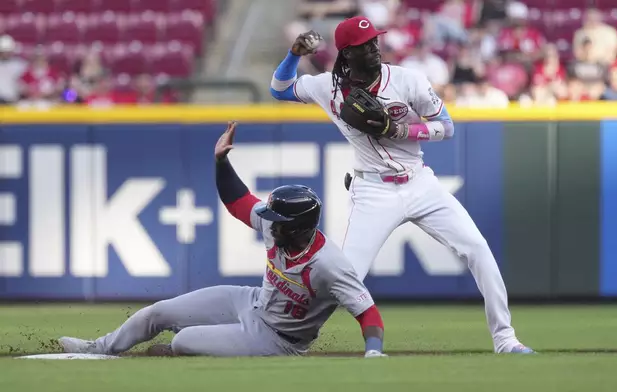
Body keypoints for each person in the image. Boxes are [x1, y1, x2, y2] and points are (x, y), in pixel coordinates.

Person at [269, 16, 534, 354]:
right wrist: (294, 54)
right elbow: (279, 89)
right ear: (347, 54)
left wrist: (401, 131)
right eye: (366, 45)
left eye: (375, 41)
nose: (375, 48)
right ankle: (289, 339)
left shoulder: (408, 80)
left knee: (477, 248)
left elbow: (446, 126)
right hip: (373, 191)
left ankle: (505, 339)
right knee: (345, 277)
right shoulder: (327, 87)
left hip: (420, 183)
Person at [58, 121, 387, 358]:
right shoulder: (278, 227)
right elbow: (238, 202)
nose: (270, 225)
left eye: (280, 222)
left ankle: (174, 351)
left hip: (279, 339)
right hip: (250, 300)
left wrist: (373, 352)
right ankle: (97, 349)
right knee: (157, 313)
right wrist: (221, 161)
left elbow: (368, 313)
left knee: (184, 341)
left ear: (301, 228)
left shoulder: (329, 265)